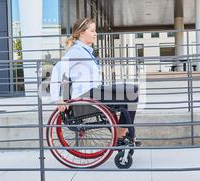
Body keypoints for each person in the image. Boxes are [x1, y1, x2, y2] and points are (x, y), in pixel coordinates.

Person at [50, 17, 139, 145]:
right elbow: (57, 70)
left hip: (94, 91)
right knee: (132, 92)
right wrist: (57, 99)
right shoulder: (76, 51)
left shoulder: (85, 51)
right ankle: (121, 134)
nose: (95, 34)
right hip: (88, 94)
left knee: (131, 94)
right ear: (81, 33)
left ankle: (123, 134)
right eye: (92, 31)